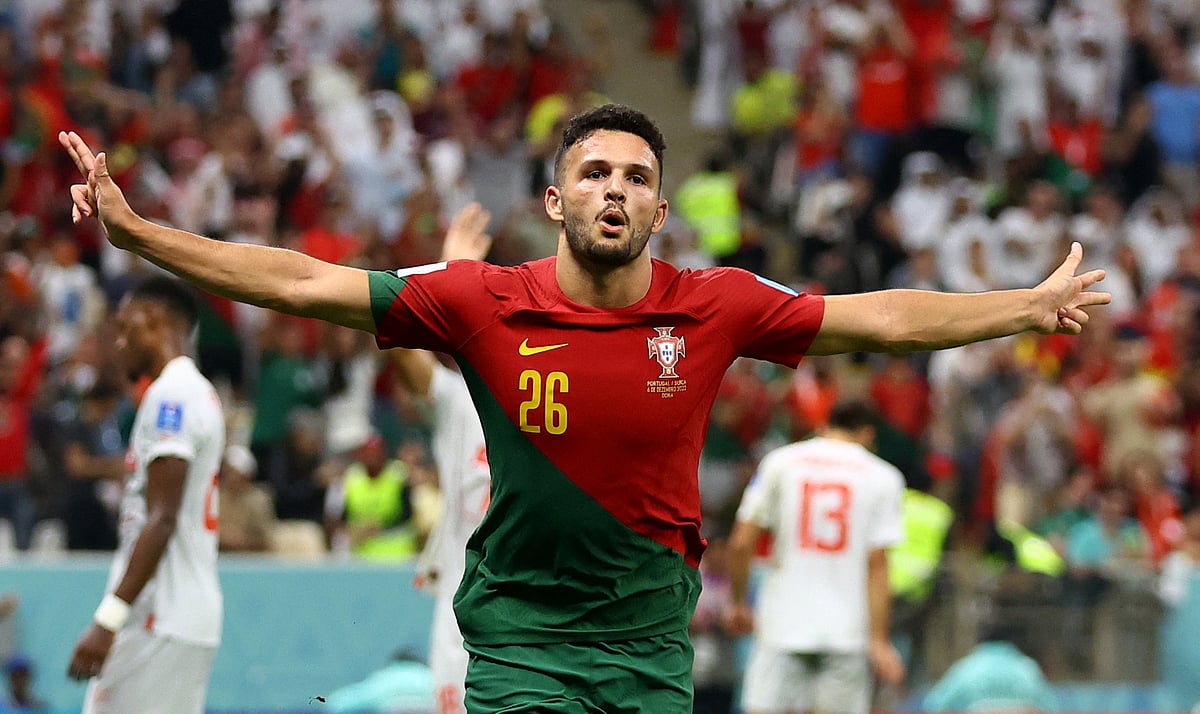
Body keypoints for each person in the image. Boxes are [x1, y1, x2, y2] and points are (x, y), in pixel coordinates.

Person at [59, 103, 1108, 711]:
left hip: (652, 648)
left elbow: (882, 320)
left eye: (637, 175)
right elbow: (299, 282)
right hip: (519, 645)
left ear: (659, 205)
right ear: (557, 202)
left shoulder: (715, 307)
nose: (616, 187)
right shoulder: (482, 301)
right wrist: (142, 232)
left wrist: (1023, 304)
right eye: (594, 171)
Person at [65, 277, 225, 714]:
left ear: (153, 321)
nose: (118, 343)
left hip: (160, 615)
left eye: (124, 327)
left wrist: (108, 619)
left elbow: (162, 518)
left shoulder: (171, 395)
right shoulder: (194, 392)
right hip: (176, 615)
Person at [725, 400, 907, 714]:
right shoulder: (883, 477)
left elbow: (742, 543)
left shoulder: (780, 462)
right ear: (867, 434)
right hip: (846, 631)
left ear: (824, 426)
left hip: (782, 624)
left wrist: (738, 602)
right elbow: (877, 567)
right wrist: (879, 639)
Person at [394, 204, 493, 714]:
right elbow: (403, 348)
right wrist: (444, 277)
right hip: (461, 624)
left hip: (536, 627)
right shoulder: (461, 402)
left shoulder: (560, 402)